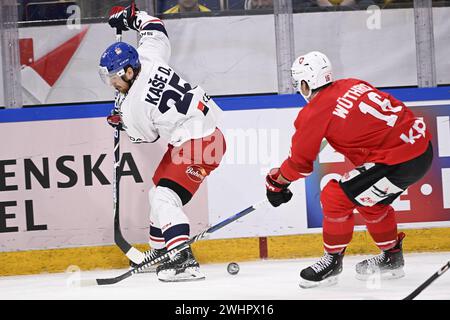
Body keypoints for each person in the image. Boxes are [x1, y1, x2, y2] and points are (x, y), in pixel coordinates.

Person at [265, 51, 433, 288]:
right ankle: (392, 257)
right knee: (372, 201)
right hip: (421, 148)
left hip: (398, 160)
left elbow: (299, 165)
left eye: (298, 84)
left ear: (305, 84)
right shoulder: (353, 84)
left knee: (335, 197)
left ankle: (332, 262)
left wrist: (277, 182)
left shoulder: (313, 114)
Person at [99, 3, 226, 282]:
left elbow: (145, 137)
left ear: (129, 72)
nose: (111, 83)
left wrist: (122, 120)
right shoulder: (148, 55)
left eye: (114, 77)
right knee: (156, 193)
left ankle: (182, 257)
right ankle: (160, 253)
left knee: (164, 197)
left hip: (197, 142)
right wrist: (132, 17)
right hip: (202, 134)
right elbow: (154, 27)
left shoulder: (133, 106)